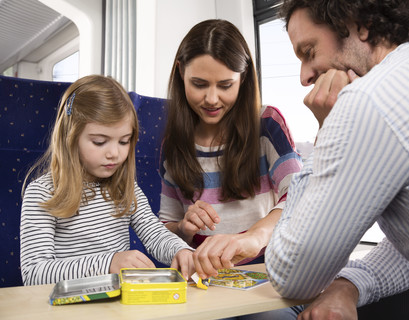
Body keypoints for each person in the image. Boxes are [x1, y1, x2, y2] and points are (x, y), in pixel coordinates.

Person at [265, 1, 409, 319]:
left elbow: (293, 275)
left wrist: (325, 132)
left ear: (360, 25)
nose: (304, 77)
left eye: (309, 51)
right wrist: (348, 285)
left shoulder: (368, 98)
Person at [158, 19, 304, 319]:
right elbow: (166, 228)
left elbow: (300, 197)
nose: (212, 99)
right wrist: (185, 227)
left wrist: (253, 236)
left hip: (268, 273)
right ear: (180, 72)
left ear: (244, 78)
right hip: (205, 283)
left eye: (226, 85)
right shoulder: (174, 143)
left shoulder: (267, 125)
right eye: (199, 84)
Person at [20, 75, 194, 286]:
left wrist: (181, 250)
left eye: (124, 141)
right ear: (70, 138)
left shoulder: (125, 188)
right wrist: (108, 263)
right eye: (100, 142)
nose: (114, 153)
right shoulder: (42, 192)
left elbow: (155, 234)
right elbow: (34, 274)